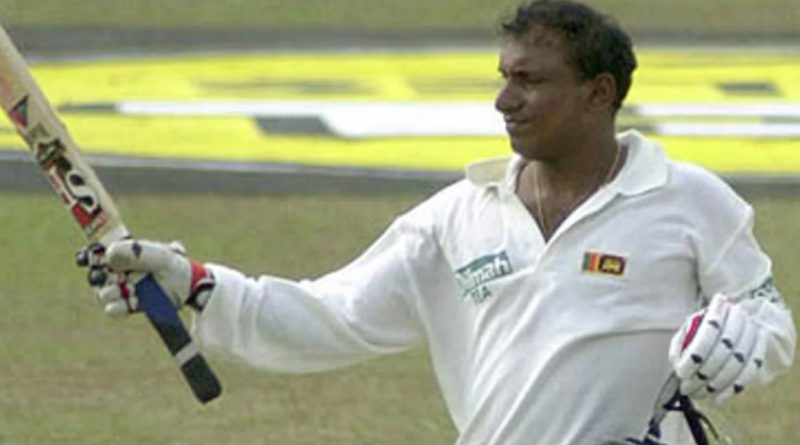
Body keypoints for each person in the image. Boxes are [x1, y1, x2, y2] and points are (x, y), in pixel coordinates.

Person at [80, 1, 796, 444]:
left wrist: (749, 339)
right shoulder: (457, 217)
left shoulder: (690, 200)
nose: (503, 100)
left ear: (597, 93)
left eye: (530, 81)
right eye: (502, 75)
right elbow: (331, 314)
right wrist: (192, 282)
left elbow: (770, 324)